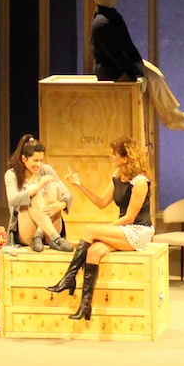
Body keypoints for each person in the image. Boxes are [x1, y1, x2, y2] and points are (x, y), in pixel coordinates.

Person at [47, 136, 154, 322]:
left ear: (126, 158)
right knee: (93, 252)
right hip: (123, 230)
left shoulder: (140, 183)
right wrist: (79, 184)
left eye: (114, 154)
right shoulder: (117, 176)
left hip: (139, 231)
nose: (111, 156)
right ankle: (85, 306)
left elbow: (130, 217)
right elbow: (102, 202)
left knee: (90, 230)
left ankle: (69, 277)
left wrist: (101, 231)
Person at [89, 0, 184, 130]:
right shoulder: (101, 24)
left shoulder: (114, 17)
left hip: (121, 65)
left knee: (156, 73)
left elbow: (127, 44)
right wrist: (136, 74)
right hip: (111, 71)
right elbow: (115, 54)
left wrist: (138, 62)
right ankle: (171, 117)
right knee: (151, 77)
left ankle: (173, 114)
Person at [4, 135, 72, 250]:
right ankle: (55, 238)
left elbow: (67, 194)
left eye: (41, 160)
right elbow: (12, 199)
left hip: (49, 228)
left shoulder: (46, 170)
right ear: (24, 159)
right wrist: (38, 186)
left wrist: (61, 205)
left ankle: (40, 235)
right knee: (34, 194)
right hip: (27, 230)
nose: (39, 165)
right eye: (35, 161)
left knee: (53, 186)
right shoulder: (12, 174)